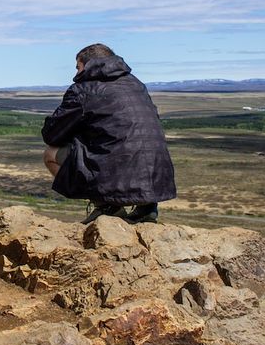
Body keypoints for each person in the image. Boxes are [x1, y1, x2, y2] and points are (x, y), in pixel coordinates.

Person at [42, 44, 176, 224]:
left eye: (77, 67)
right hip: (157, 174)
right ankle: (147, 208)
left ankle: (107, 207)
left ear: (87, 64)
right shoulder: (135, 84)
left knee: (50, 154)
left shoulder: (83, 89)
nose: (76, 72)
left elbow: (52, 134)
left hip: (114, 172)